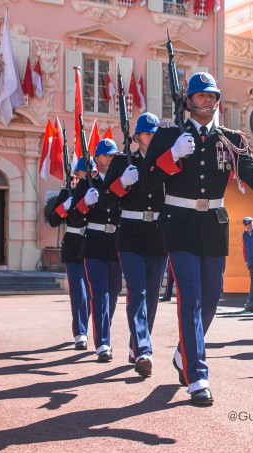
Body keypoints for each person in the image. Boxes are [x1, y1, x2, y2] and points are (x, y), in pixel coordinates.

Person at [139, 72, 253, 406]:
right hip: (179, 224)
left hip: (213, 224)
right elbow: (147, 182)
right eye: (202, 95)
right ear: (189, 101)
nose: (208, 100)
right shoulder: (169, 136)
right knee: (190, 297)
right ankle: (197, 374)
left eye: (213, 96)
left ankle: (184, 354)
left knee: (211, 297)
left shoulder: (229, 140)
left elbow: (250, 169)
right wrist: (172, 156)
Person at [100, 112, 167, 378]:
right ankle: (143, 350)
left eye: (155, 133)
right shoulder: (121, 162)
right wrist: (121, 184)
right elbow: (105, 201)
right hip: (129, 233)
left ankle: (135, 344)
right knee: (137, 291)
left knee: (151, 296)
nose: (152, 137)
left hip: (158, 234)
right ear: (137, 137)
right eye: (147, 133)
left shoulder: (167, 162)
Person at [69, 139, 123, 363]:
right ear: (97, 159)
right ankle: (103, 344)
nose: (110, 159)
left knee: (114, 294)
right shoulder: (87, 184)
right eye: (106, 155)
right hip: (94, 243)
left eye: (113, 155)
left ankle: (103, 330)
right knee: (99, 294)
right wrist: (85, 203)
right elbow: (73, 218)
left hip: (117, 244)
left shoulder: (123, 181)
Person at [47, 158, 90, 350]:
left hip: (93, 243)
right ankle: (80, 332)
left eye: (91, 172)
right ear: (77, 173)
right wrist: (64, 207)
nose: (87, 176)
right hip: (73, 245)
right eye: (84, 172)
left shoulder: (95, 190)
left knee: (92, 294)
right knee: (78, 291)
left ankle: (84, 326)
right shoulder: (67, 192)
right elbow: (53, 220)